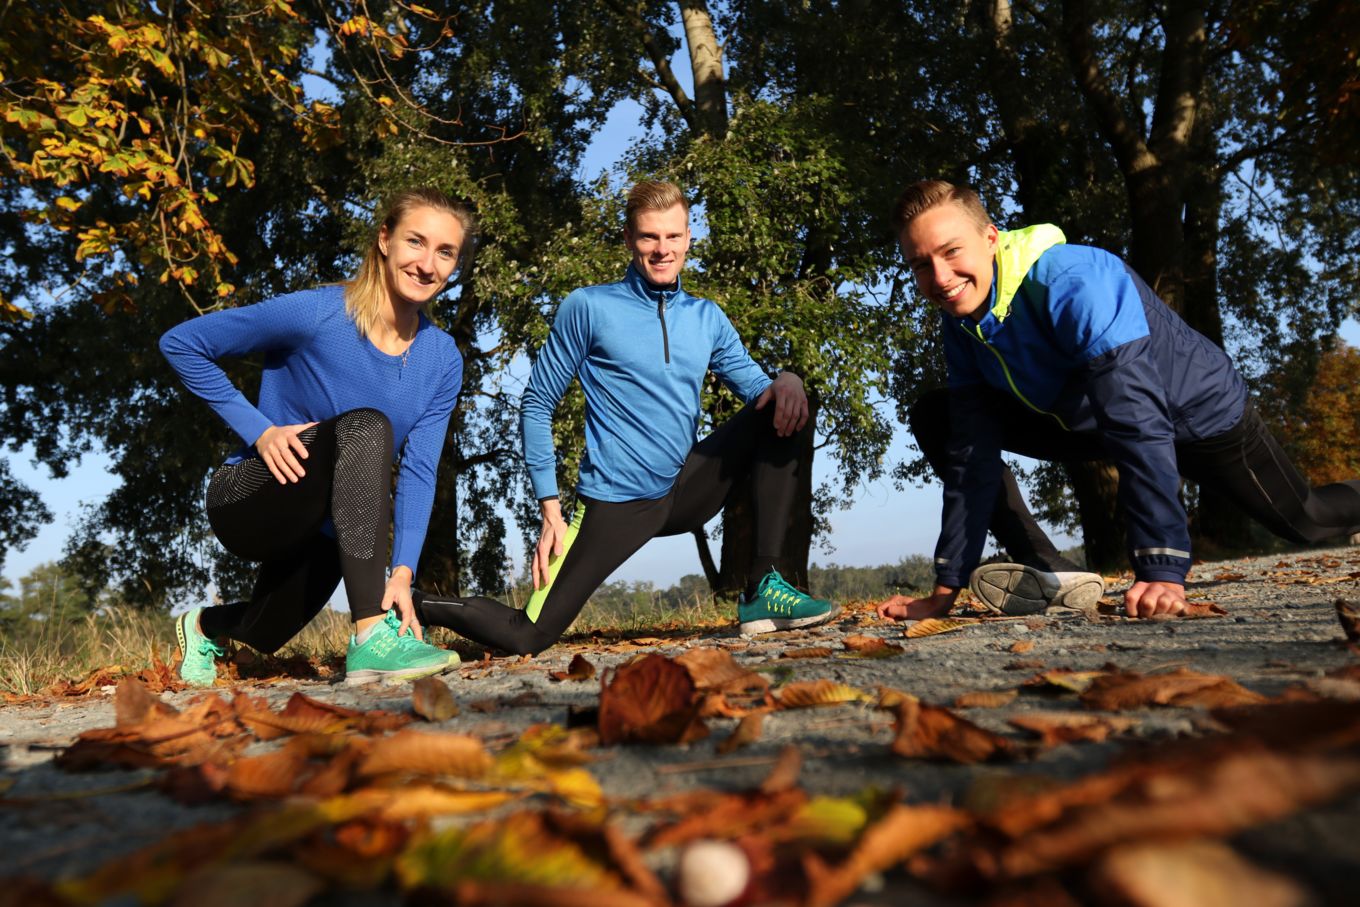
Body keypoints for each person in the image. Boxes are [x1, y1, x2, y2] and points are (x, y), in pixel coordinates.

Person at [878, 179, 1360, 622]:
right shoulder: (963, 323)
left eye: (951, 251)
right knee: (939, 417)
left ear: (990, 238)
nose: (940, 276)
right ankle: (1048, 568)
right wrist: (947, 586)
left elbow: (1137, 420)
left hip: (1198, 415)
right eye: (921, 264)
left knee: (1307, 520)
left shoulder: (1075, 280)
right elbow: (971, 454)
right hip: (1089, 420)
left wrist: (1161, 568)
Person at [410, 180, 838, 655]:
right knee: (527, 635)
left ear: (688, 238)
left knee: (786, 404)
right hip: (616, 501)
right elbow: (537, 403)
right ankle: (414, 604)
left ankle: (764, 588)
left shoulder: (706, 318)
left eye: (672, 236)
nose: (662, 249)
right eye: (649, 237)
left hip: (687, 486)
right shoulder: (589, 307)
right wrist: (550, 507)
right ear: (629, 239)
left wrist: (787, 378)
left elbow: (761, 391)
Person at [160, 188, 471, 686]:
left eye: (445, 252)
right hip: (250, 497)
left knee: (264, 632)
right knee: (367, 425)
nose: (427, 264)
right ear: (385, 239)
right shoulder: (320, 313)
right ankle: (371, 637)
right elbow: (181, 343)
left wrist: (402, 573)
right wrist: (260, 431)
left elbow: (418, 470)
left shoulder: (442, 359)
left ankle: (202, 626)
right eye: (416, 241)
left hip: (333, 528)